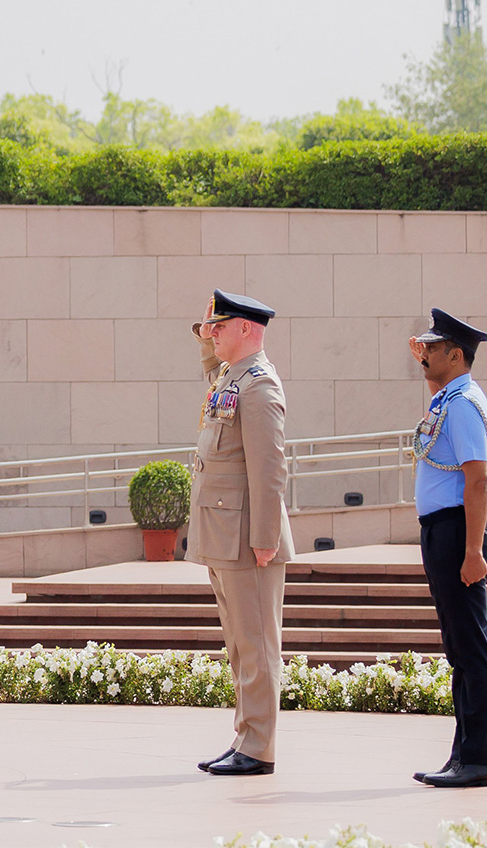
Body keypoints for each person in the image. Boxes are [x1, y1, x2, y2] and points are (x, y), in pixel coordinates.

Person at [189, 290, 294, 777]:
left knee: (257, 645)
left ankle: (259, 747)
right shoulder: (231, 378)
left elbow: (271, 469)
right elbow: (211, 364)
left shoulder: (259, 387)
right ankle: (246, 738)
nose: (214, 332)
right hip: (225, 534)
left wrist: (265, 538)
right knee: (239, 643)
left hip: (250, 538)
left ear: (247, 329)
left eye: (222, 325)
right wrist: (206, 333)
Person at [408, 308, 487, 788]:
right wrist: (426, 366)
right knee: (458, 650)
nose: (424, 353)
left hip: (458, 530)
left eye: (433, 349)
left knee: (471, 650)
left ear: (457, 355)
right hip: (443, 530)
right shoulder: (450, 396)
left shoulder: (462, 403)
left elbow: (477, 480)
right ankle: (463, 754)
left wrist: (472, 551)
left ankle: (479, 760)